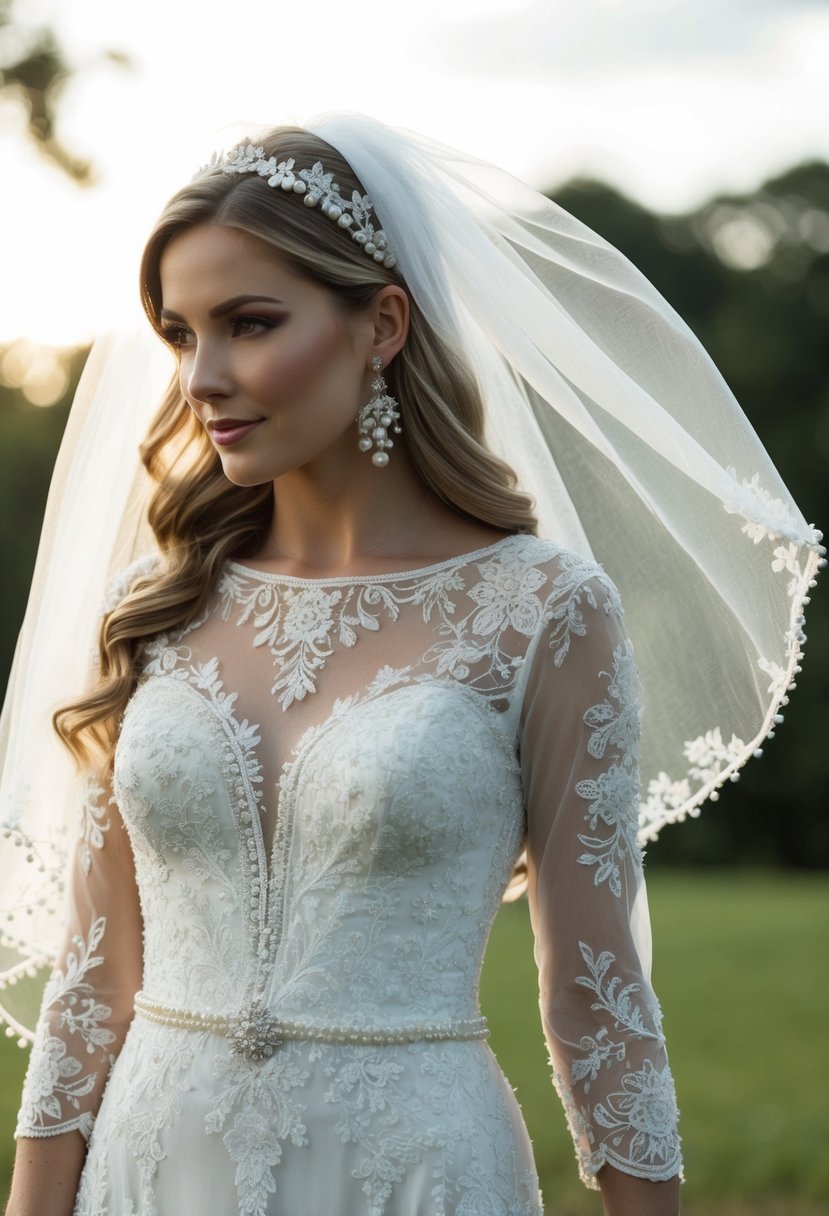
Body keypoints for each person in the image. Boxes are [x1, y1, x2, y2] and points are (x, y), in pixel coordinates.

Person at [1, 115, 822, 1216]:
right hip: (151, 1173)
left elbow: (597, 996)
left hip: (412, 1171)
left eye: (249, 324)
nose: (202, 376)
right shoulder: (154, 610)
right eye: (178, 332)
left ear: (380, 323)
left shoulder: (541, 610)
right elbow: (93, 984)